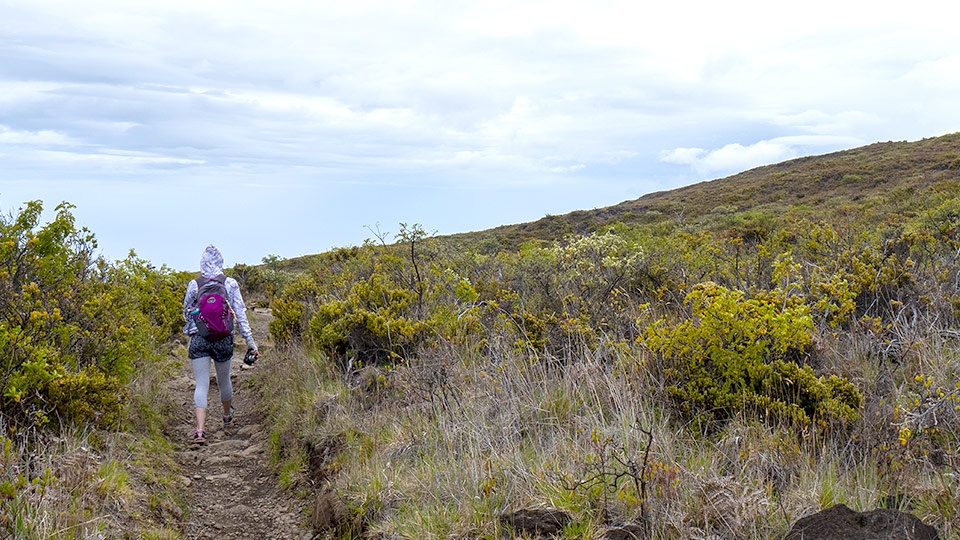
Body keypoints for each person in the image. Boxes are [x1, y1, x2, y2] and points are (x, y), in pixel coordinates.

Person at [182, 245, 259, 444]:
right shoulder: (230, 283)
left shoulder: (194, 284)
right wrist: (250, 341)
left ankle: (199, 430)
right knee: (224, 380)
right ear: (221, 262)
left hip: (199, 337)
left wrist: (196, 322)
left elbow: (185, 312)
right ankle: (227, 417)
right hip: (224, 338)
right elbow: (240, 313)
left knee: (201, 383)